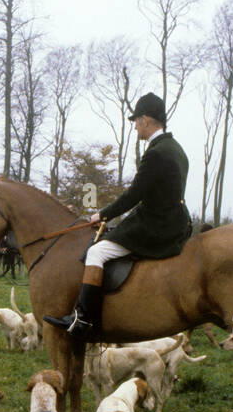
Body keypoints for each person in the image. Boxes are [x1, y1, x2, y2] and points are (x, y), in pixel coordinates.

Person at [46, 92, 190, 337]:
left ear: (145, 119)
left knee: (96, 251)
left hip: (156, 225)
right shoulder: (176, 148)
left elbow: (135, 194)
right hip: (177, 220)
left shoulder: (156, 152)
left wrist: (102, 214)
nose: (135, 127)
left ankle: (82, 319)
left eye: (135, 121)